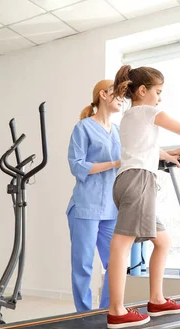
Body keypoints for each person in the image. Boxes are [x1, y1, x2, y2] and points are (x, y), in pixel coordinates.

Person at [105, 65, 180, 329]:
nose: (160, 98)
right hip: (138, 180)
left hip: (129, 180)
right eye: (158, 92)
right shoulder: (149, 111)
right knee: (122, 244)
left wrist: (171, 154)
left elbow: (144, 147)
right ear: (143, 90)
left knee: (162, 241)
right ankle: (116, 311)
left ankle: (157, 299)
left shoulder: (130, 116)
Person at [66, 79, 123, 312]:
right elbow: (77, 166)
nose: (121, 99)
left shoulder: (118, 131)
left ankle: (109, 310)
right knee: (83, 265)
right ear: (103, 94)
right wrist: (114, 163)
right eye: (117, 94)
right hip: (85, 206)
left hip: (111, 207)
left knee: (115, 262)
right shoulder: (83, 128)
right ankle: (84, 314)